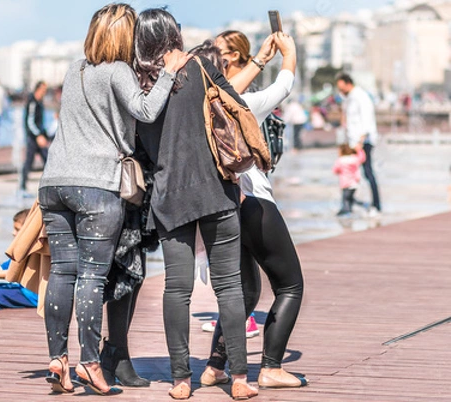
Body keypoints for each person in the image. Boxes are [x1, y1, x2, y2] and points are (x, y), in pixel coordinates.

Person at [37, 3, 189, 396]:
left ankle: (58, 358)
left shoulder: (76, 69)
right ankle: (90, 363)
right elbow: (146, 110)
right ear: (125, 36)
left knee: (62, 273)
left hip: (54, 183)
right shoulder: (118, 71)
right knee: (92, 275)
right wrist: (170, 70)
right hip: (96, 186)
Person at [134, 10, 258, 400]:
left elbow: (136, 144)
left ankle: (180, 380)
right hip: (216, 190)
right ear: (175, 35)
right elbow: (237, 105)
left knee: (177, 290)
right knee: (229, 288)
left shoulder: (138, 85)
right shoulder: (203, 67)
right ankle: (238, 378)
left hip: (170, 196)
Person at [197, 30, 308, 389]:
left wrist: (261, 56)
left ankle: (215, 366)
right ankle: (272, 367)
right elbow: (283, 86)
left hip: (220, 207)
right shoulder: (240, 103)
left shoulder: (198, 102)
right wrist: (288, 54)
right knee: (290, 285)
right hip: (254, 201)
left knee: (243, 292)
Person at [336, 72, 381, 216]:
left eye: (341, 87)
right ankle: (348, 204)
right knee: (349, 171)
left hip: (363, 142)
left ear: (348, 83)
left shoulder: (361, 96)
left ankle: (376, 206)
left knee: (368, 173)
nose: (340, 91)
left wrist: (360, 141)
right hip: (353, 141)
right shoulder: (349, 98)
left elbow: (367, 120)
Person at [20, 81, 49, 193]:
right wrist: (38, 135)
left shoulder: (39, 102)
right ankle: (22, 187)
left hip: (39, 137)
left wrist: (45, 134)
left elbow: (40, 122)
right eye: (43, 90)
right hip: (33, 138)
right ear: (38, 89)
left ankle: (48, 186)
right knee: (28, 162)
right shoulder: (32, 102)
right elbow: (30, 122)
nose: (44, 92)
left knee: (48, 161)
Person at [333, 143, 370, 216]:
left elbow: (335, 170)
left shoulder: (340, 160)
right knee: (351, 199)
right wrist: (360, 150)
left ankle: (346, 212)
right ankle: (363, 205)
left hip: (345, 184)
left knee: (345, 199)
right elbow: (362, 159)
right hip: (354, 183)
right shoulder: (355, 159)